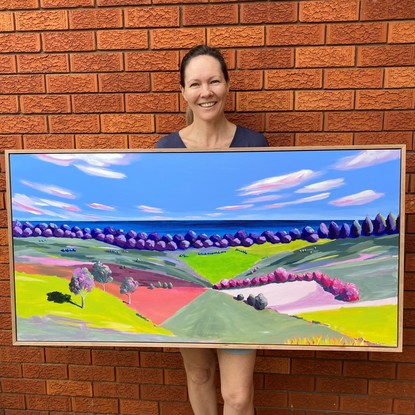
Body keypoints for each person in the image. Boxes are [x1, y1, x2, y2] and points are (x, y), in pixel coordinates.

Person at [156, 44, 268, 415]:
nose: (206, 92)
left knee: (237, 396)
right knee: (200, 376)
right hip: (187, 280)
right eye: (196, 84)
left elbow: (263, 215)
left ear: (227, 86)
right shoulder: (165, 150)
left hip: (242, 280)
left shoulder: (255, 145)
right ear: (183, 93)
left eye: (214, 81)